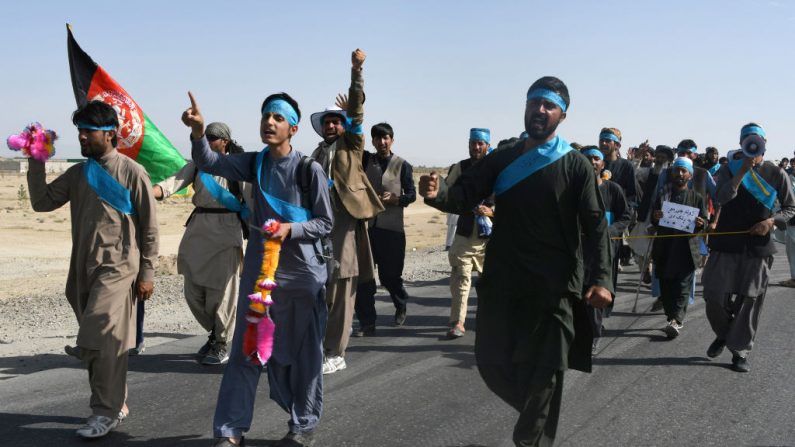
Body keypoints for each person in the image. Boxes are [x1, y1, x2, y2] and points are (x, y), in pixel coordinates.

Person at [419, 76, 613, 446]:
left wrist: (602, 277)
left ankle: (530, 439)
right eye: (534, 102)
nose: (539, 110)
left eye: (549, 105)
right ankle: (536, 424)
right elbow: (463, 195)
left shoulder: (576, 166)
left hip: (555, 290)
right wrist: (438, 193)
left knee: (545, 373)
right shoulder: (504, 156)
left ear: (563, 115)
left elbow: (594, 227)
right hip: (505, 283)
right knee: (493, 365)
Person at [184, 91, 333, 447]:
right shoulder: (255, 163)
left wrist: (291, 229)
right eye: (266, 115)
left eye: (278, 117)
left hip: (302, 276)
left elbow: (325, 222)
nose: (269, 121)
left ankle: (303, 424)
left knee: (304, 352)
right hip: (260, 276)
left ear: (293, 129)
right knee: (246, 350)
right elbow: (210, 162)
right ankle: (231, 430)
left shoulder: (307, 169)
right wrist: (198, 131)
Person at [28, 100, 158, 438]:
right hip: (82, 268)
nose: (82, 138)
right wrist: (37, 160)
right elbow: (41, 202)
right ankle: (117, 400)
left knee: (99, 338)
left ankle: (103, 412)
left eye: (89, 132)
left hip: (119, 268)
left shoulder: (133, 172)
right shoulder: (79, 173)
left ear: (111, 134)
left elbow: (149, 228)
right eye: (80, 132)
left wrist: (147, 272)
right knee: (106, 345)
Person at [310, 49, 384, 375]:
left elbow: (357, 111)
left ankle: (336, 352)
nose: (331, 125)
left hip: (343, 222)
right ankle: (322, 344)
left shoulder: (350, 144)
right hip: (318, 225)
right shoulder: (316, 152)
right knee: (322, 288)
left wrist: (357, 71)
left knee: (341, 288)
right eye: (327, 121)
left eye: (335, 121)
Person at [703, 123, 795, 373]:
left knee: (749, 300)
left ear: (764, 142)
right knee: (713, 295)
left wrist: (771, 221)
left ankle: (739, 349)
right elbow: (720, 198)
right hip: (725, 243)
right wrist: (742, 171)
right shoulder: (727, 168)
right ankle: (724, 333)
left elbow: (790, 208)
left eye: (756, 140)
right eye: (747, 140)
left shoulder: (777, 173)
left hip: (758, 247)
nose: (752, 144)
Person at [153, 122, 247, 365]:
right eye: (205, 138)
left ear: (224, 142)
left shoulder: (237, 166)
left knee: (223, 292)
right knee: (193, 289)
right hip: (198, 230)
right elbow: (171, 184)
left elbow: (254, 199)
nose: (208, 142)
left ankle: (222, 342)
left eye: (213, 138)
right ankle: (216, 332)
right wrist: (145, 190)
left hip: (227, 231)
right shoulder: (196, 165)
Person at [355, 122, 416, 337]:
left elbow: (412, 195)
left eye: (386, 137)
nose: (382, 142)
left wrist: (397, 199)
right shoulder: (365, 160)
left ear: (392, 139)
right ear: (372, 140)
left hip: (392, 231)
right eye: (378, 138)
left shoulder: (403, 165)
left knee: (390, 277)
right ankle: (367, 322)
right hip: (367, 229)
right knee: (364, 278)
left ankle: (400, 302)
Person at [443, 128, 494, 339]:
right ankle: (458, 322)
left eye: (481, 143)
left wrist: (492, 211)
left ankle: (489, 320)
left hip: (492, 235)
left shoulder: (497, 169)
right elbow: (445, 193)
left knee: (490, 282)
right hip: (465, 233)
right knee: (461, 278)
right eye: (474, 143)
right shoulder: (461, 168)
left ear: (487, 145)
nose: (477, 147)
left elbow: (510, 198)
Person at [649, 157, 707, 338]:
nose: (680, 174)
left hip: (686, 250)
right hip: (665, 248)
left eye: (684, 171)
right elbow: (654, 221)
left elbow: (704, 221)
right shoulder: (663, 195)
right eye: (677, 171)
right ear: (672, 173)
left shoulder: (696, 198)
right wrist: (656, 217)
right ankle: (670, 316)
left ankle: (676, 320)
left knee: (682, 286)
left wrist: (700, 223)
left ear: (690, 175)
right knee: (666, 286)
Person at [581, 146, 630, 353]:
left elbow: (626, 216)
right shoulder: (572, 190)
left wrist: (608, 231)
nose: (592, 162)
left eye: (596, 158)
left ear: (603, 164)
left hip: (604, 250)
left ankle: (593, 334)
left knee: (596, 291)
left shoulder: (613, 190)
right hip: (577, 250)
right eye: (587, 158)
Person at [598, 127, 639, 267]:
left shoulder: (626, 166)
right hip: (596, 219)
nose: (603, 143)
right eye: (601, 140)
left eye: (607, 140)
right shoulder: (595, 163)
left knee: (611, 263)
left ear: (617, 145)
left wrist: (623, 215)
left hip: (615, 223)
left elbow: (632, 196)